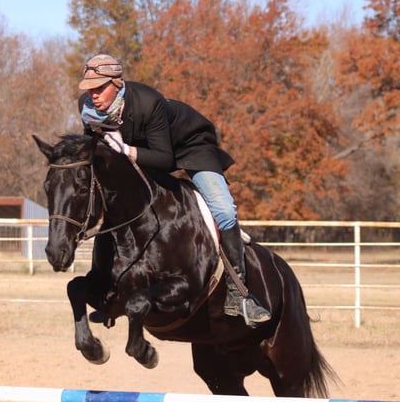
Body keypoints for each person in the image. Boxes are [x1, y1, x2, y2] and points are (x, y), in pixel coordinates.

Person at [77, 53, 270, 327]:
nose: (93, 95)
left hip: (189, 147)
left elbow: (165, 159)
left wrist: (128, 151)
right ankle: (110, 292)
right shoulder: (86, 108)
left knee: (224, 210)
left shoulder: (148, 102)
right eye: (89, 88)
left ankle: (238, 294)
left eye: (99, 87)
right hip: (146, 151)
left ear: (118, 83)